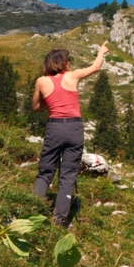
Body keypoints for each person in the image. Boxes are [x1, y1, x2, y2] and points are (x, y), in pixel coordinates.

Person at [32, 43, 110, 227]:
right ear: (62, 63)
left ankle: (31, 210)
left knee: (45, 172)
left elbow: (35, 107)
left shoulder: (41, 81)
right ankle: (60, 220)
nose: (69, 64)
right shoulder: (72, 76)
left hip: (55, 128)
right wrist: (101, 52)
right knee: (67, 175)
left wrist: (49, 99)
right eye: (68, 61)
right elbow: (96, 67)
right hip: (74, 128)